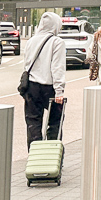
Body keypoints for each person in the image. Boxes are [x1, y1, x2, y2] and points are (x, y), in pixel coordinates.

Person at [20, 12, 66, 147]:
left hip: (32, 87)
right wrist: (59, 91)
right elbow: (57, 68)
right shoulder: (57, 42)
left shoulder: (31, 41)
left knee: (33, 123)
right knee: (54, 124)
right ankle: (51, 157)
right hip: (50, 88)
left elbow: (26, 64)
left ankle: (35, 158)